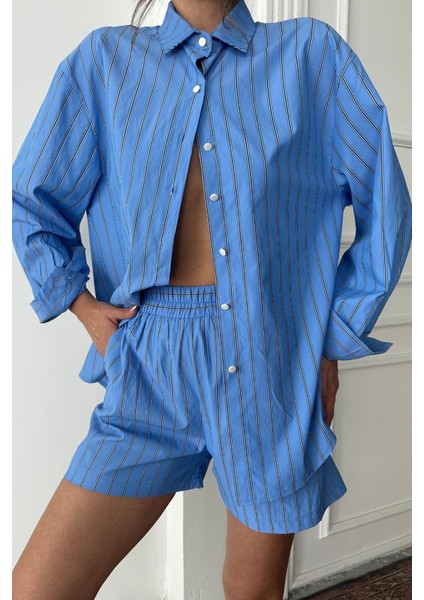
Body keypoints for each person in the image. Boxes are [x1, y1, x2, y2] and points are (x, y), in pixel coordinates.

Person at [12, 0, 412, 598]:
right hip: (148, 359)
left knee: (250, 592)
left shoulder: (311, 58)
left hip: (270, 359)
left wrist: (330, 339)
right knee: (39, 588)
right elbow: (35, 200)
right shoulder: (103, 63)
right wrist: (81, 306)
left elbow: (386, 206)